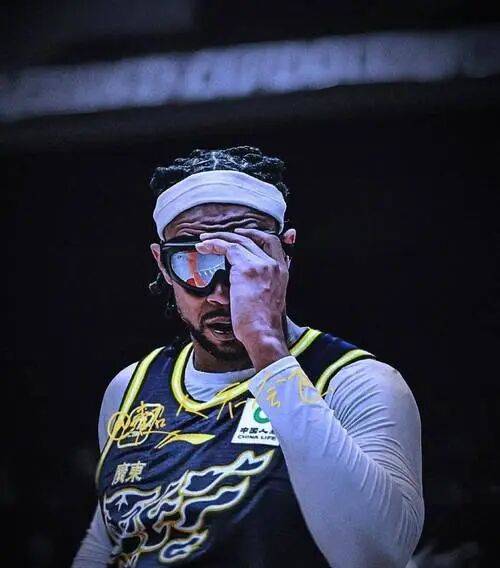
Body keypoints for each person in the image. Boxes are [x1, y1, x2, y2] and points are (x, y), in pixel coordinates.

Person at [72, 146, 424, 567]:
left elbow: (374, 556)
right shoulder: (130, 388)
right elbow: (113, 540)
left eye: (245, 259)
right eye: (195, 263)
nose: (223, 294)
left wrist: (267, 346)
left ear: (284, 254)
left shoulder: (358, 382)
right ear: (162, 265)